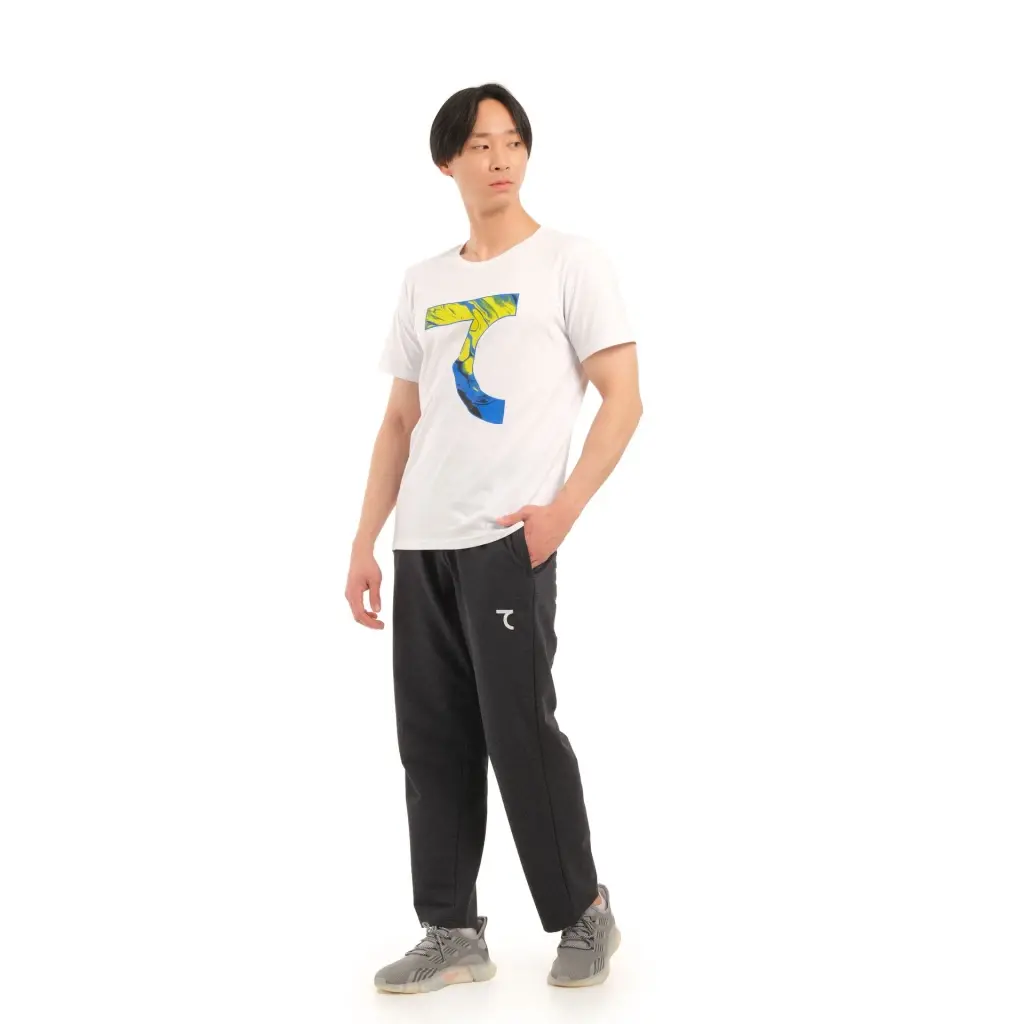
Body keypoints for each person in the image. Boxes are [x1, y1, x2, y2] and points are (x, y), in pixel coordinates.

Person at [347, 82, 643, 995]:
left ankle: (584, 911)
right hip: (422, 544)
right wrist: (365, 543)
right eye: (479, 145)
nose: (500, 158)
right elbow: (400, 423)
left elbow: (623, 400)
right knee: (431, 741)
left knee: (521, 734)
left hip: (510, 542)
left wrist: (563, 512)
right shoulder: (424, 282)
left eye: (512, 140)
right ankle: (450, 929)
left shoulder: (569, 263)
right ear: (448, 161)